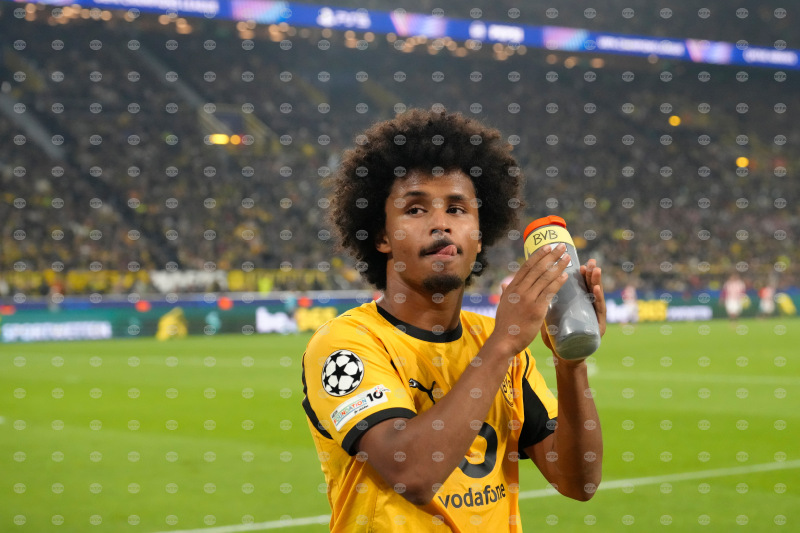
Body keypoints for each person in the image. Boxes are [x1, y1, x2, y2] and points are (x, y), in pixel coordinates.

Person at [301, 109, 606, 531]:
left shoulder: (497, 343)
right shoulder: (347, 343)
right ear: (383, 236)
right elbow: (412, 474)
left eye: (458, 209)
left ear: (479, 235)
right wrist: (502, 344)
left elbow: (578, 481)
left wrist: (570, 363)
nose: (441, 224)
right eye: (415, 209)